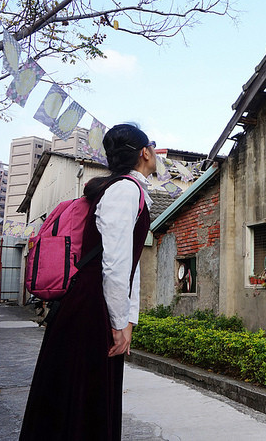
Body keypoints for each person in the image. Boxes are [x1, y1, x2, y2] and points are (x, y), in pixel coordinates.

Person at [20, 124, 156, 441]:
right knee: (83, 396)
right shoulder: (125, 190)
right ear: (144, 153)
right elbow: (115, 264)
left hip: (90, 303)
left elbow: (128, 265)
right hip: (89, 306)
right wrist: (119, 321)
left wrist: (129, 319)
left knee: (79, 395)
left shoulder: (126, 189)